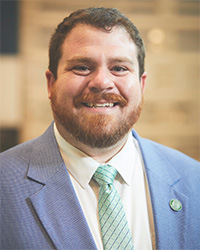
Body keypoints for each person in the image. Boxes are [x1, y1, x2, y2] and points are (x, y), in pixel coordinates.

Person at [1, 7, 199, 250]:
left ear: (141, 84)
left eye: (119, 68)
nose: (103, 82)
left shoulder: (194, 179)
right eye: (82, 67)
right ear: (51, 84)